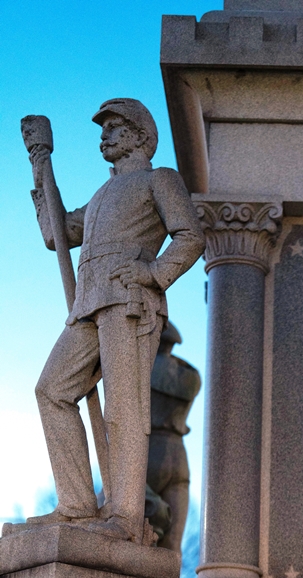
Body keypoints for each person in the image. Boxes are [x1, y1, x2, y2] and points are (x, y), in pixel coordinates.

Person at [27, 98, 205, 543]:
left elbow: (190, 236)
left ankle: (125, 515)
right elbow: (57, 234)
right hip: (87, 303)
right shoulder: (103, 195)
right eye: (103, 129)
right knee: (52, 390)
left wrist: (155, 273)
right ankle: (77, 505)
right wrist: (39, 166)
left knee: (122, 405)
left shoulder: (158, 179)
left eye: (114, 128)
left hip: (130, 300)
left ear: (141, 136)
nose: (104, 136)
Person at [146, 322, 201, 551]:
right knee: (173, 546)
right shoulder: (190, 376)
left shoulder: (142, 367)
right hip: (178, 457)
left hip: (148, 451)